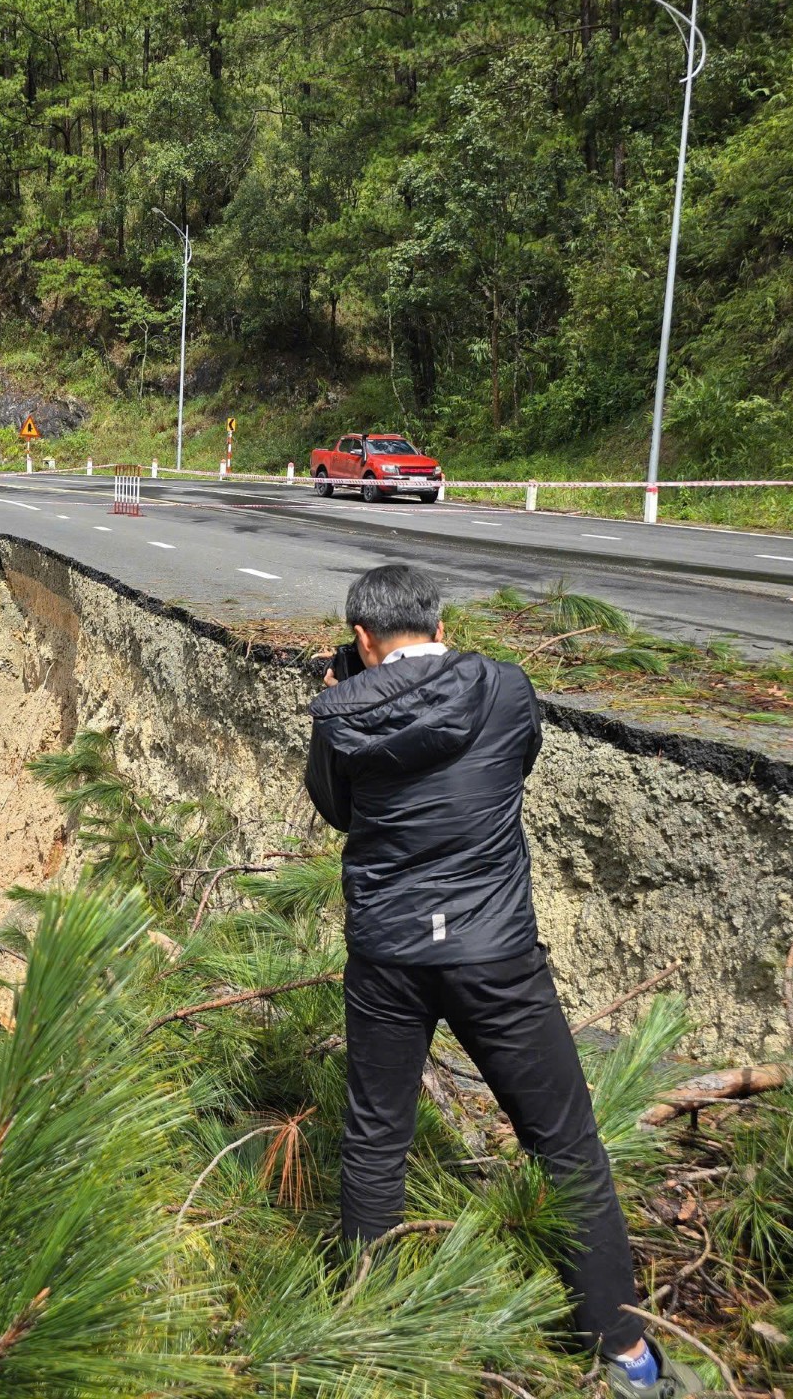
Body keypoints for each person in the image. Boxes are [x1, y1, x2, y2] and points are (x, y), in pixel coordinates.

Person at [305, 564, 706, 1399]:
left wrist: (350, 686)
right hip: (493, 952)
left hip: (387, 953)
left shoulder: (340, 711)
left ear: (361, 638)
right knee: (565, 1144)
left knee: (378, 1137)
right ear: (439, 621)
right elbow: (511, 762)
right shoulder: (505, 689)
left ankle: (370, 1329)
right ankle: (627, 1358)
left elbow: (337, 808)